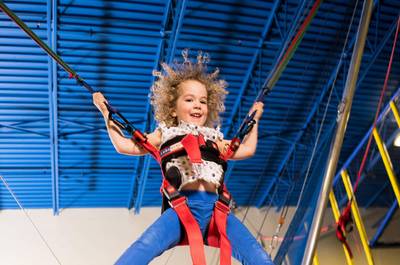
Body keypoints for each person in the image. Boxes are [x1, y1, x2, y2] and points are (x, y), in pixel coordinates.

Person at [93, 50, 273, 265]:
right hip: (182, 208)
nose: (197, 105)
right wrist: (106, 113)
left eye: (203, 101)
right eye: (189, 99)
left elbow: (247, 149)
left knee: (259, 257)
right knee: (141, 249)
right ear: (173, 108)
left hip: (218, 211)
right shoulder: (166, 133)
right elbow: (124, 146)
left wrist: (256, 118)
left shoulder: (216, 139)